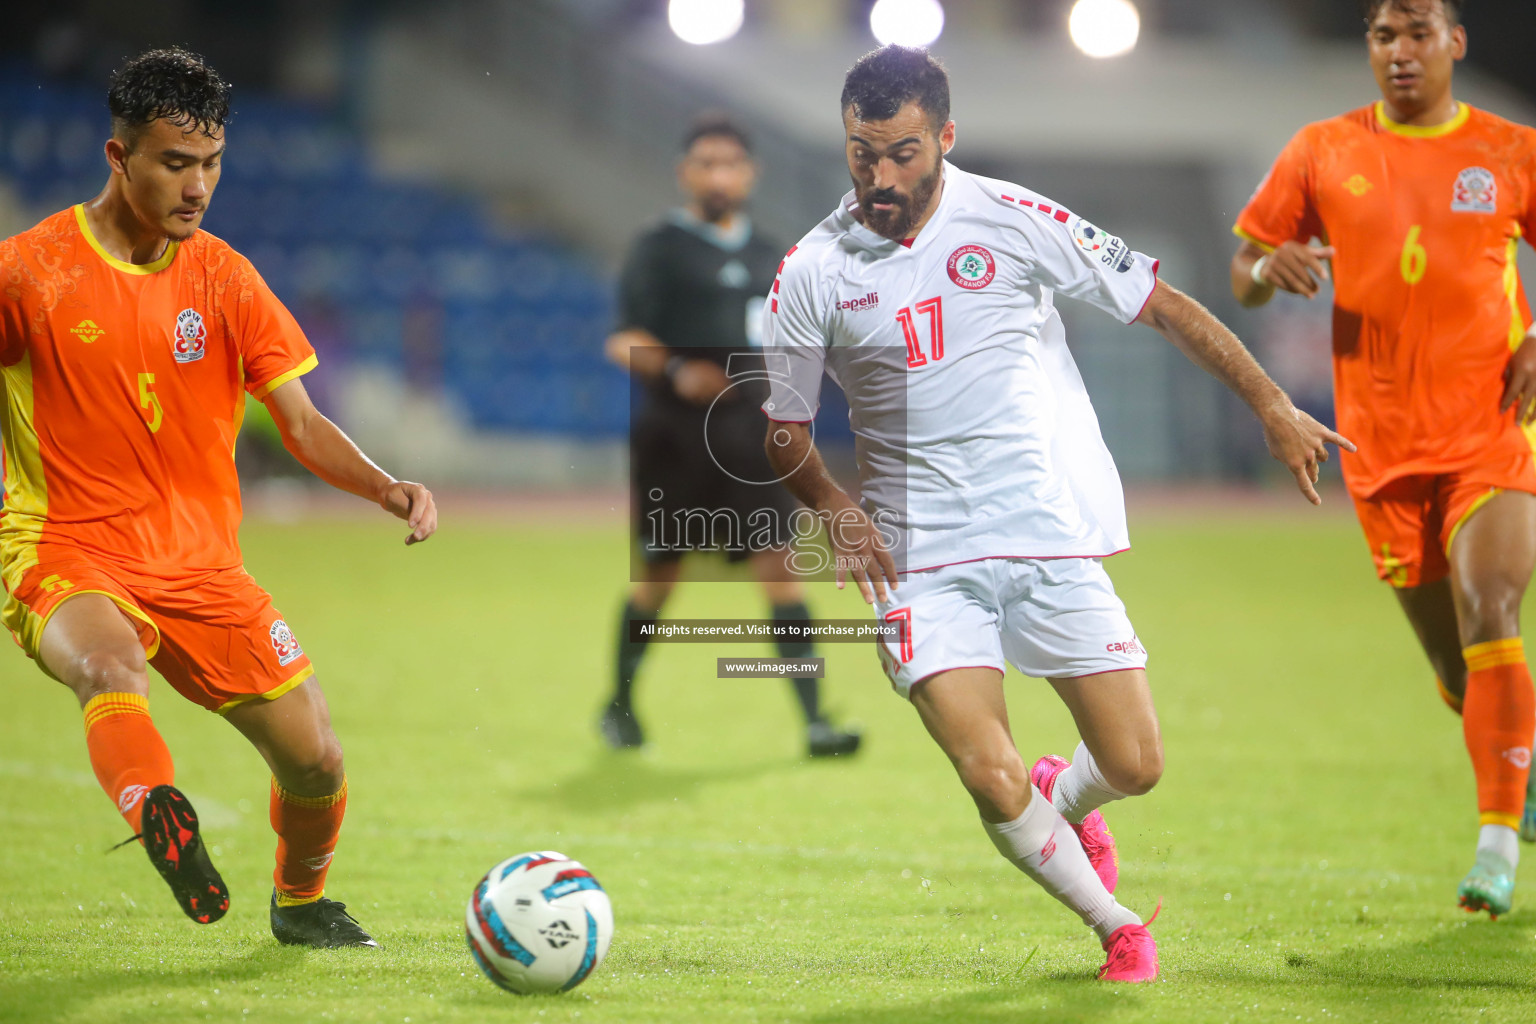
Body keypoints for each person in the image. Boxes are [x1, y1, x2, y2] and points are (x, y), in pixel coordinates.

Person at [762, 45, 1348, 982]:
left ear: (946, 137)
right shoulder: (813, 269)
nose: (879, 176)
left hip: (1040, 528)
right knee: (982, 767)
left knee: (1138, 761)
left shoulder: (1013, 218)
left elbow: (1160, 304)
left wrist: (1271, 405)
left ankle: (1063, 794)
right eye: (861, 153)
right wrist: (832, 504)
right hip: (917, 556)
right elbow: (781, 427)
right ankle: (1117, 925)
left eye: (903, 153)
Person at [0, 48, 438, 946]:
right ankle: (159, 810)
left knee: (316, 758)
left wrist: (386, 486)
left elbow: (305, 426)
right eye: (175, 163)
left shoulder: (225, 278)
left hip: (203, 567)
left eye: (212, 164)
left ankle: (303, 904)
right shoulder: (27, 272)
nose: (198, 186)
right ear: (118, 158)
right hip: (67, 542)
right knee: (107, 666)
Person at [1230, 0, 1536, 918]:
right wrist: (1267, 269)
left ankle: (1495, 847)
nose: (1399, 53)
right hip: (1381, 445)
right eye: (1382, 36)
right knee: (1455, 668)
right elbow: (1242, 270)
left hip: (1490, 427)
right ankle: (1518, 772)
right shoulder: (1323, 149)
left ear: (1454, 42)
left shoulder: (1511, 148)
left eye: (1416, 33)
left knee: (1493, 608)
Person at [600, 114, 861, 758]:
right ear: (685, 172)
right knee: (659, 579)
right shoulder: (658, 247)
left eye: (730, 163)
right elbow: (623, 340)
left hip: (752, 439)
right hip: (676, 441)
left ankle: (815, 721)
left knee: (783, 576)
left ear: (750, 173)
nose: (718, 174)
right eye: (706, 163)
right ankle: (619, 707)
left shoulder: (771, 253)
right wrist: (677, 368)